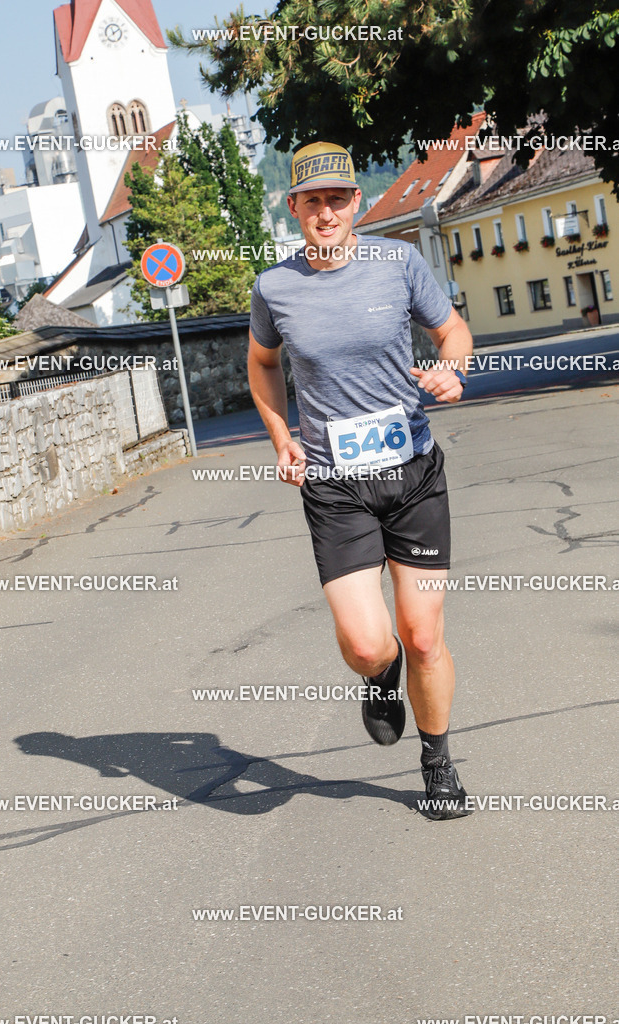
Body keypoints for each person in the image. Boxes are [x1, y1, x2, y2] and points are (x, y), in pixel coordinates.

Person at [247, 141, 475, 820]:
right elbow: (261, 366)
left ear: (355, 204)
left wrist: (452, 370)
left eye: (337, 199)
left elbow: (453, 330)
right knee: (373, 642)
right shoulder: (274, 287)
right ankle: (380, 677)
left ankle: (437, 761)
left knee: (425, 634)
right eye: (312, 201)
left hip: (412, 473)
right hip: (335, 487)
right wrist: (282, 436)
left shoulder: (398, 264)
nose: (326, 213)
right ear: (294, 208)